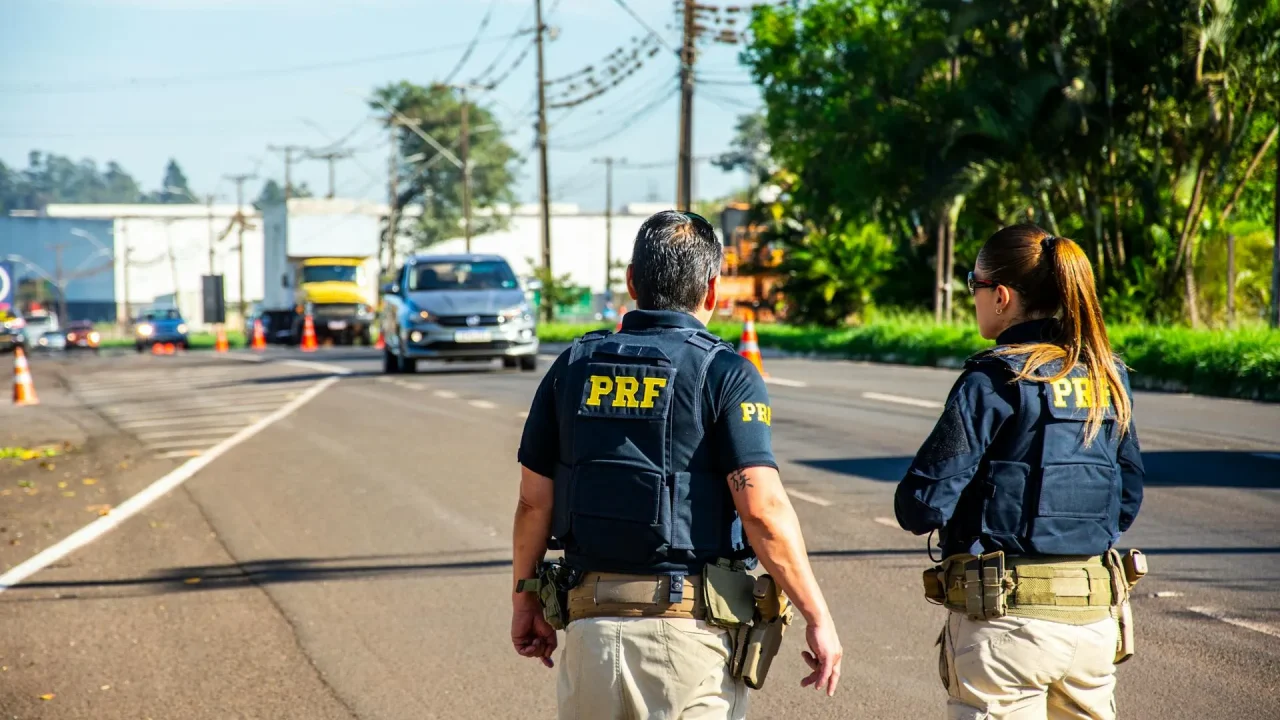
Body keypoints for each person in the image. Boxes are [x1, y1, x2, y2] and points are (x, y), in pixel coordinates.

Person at [512, 210, 842, 719]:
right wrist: (816, 615)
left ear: (630, 281)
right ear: (712, 290)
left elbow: (534, 502)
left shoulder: (572, 366)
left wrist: (524, 602)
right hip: (684, 642)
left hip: (588, 634)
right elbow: (761, 511)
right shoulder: (726, 372)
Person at [895, 224, 1145, 720]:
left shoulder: (994, 379)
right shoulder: (1106, 376)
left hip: (1007, 629)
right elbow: (1127, 497)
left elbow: (922, 505)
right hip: (1094, 624)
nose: (974, 297)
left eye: (975, 284)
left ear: (1002, 296)